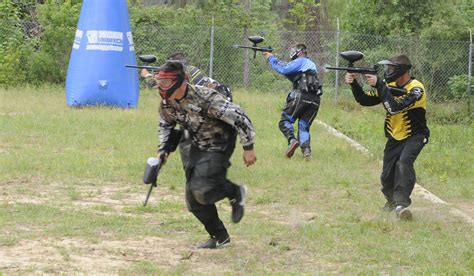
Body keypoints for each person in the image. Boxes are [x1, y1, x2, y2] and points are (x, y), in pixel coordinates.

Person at [156, 61, 257, 249]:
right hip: (194, 141)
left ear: (181, 82)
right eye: (160, 82)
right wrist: (162, 151)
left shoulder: (205, 98)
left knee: (203, 187)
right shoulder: (167, 103)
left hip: (219, 141)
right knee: (193, 200)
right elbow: (166, 124)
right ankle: (220, 237)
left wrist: (248, 147)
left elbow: (240, 116)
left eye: (166, 82)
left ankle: (235, 192)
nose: (161, 87)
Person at [344, 54, 429, 220]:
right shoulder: (389, 85)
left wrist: (380, 85)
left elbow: (394, 108)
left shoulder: (416, 89)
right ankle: (391, 201)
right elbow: (364, 100)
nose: (388, 71)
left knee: (404, 162)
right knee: (386, 174)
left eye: (392, 68)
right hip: (394, 136)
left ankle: (401, 205)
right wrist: (353, 83)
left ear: (402, 70)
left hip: (415, 135)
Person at [263, 44, 322, 160]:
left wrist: (271, 58)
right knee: (304, 126)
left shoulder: (302, 60)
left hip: (301, 95)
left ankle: (292, 140)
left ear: (300, 52)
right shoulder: (310, 66)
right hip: (315, 100)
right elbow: (288, 73)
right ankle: (306, 151)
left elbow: (284, 68)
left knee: (284, 121)